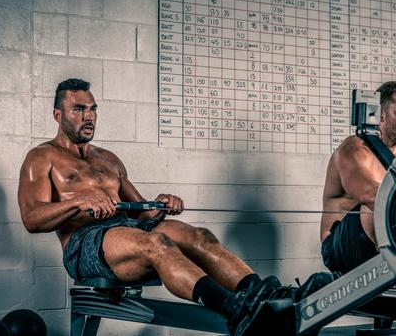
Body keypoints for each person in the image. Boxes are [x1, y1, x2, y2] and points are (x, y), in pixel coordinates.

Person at [17, 78, 281, 335]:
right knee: (157, 243)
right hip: (85, 242)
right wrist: (78, 202)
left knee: (199, 236)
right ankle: (233, 308)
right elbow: (31, 218)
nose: (89, 116)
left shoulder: (108, 159)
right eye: (78, 109)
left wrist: (162, 204)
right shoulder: (42, 157)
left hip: (128, 228)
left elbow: (142, 212)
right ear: (57, 114)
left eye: (93, 109)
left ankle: (269, 296)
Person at [320, 81, 396, 317]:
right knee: (378, 206)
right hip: (341, 249)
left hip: (387, 246)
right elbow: (369, 194)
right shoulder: (354, 149)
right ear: (381, 116)